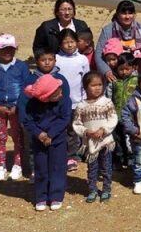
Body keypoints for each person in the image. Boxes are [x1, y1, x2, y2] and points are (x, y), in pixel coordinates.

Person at [18, 73, 72, 211]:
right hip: (39, 141)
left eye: (60, 90)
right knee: (41, 168)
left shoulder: (64, 100)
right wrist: (40, 134)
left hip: (58, 140)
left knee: (57, 168)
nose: (60, 94)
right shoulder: (32, 104)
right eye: (56, 94)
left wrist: (51, 134)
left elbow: (64, 118)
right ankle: (41, 197)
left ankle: (56, 196)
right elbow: (27, 121)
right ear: (45, 98)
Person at [0, 33, 30, 182]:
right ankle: (0, 166)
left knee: (18, 137)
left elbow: (27, 88)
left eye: (11, 49)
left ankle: (17, 165)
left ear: (15, 49)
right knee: (0, 137)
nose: (7, 52)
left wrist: (18, 105)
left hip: (17, 109)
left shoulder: (21, 66)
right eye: (3, 49)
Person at [18, 46, 70, 180]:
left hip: (55, 123)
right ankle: (36, 172)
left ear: (55, 60)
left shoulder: (61, 79)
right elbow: (23, 102)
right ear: (36, 61)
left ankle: (55, 173)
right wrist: (24, 120)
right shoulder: (30, 80)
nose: (47, 62)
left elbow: (65, 101)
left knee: (57, 148)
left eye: (50, 59)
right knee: (34, 148)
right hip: (37, 123)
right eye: (43, 60)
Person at [72, 72, 117, 203]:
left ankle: (106, 189)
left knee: (106, 167)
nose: (97, 88)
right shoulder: (81, 106)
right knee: (92, 168)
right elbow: (77, 124)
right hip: (91, 143)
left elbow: (113, 118)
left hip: (106, 142)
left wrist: (104, 129)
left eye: (100, 85)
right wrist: (87, 132)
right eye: (93, 85)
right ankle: (92, 190)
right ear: (85, 87)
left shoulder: (107, 102)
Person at [95, 0, 141, 83]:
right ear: (117, 14)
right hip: (115, 78)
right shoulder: (108, 30)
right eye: (124, 13)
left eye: (130, 13)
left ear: (134, 15)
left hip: (139, 77)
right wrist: (106, 71)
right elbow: (98, 54)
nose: (127, 17)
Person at [56, 28, 90, 172]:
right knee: (60, 129)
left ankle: (71, 156)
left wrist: (86, 99)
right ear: (60, 44)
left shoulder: (82, 59)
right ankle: (59, 155)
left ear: (77, 42)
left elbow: (86, 79)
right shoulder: (56, 59)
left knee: (73, 130)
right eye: (65, 42)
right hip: (59, 102)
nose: (69, 45)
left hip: (77, 102)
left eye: (72, 42)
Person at [105, 52, 137, 168]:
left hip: (131, 117)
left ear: (133, 68)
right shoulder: (114, 81)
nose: (124, 72)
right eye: (121, 69)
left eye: (127, 69)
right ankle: (119, 159)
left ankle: (131, 159)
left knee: (130, 139)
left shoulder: (136, 80)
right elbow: (109, 96)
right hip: (116, 116)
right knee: (118, 138)